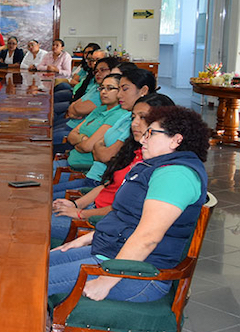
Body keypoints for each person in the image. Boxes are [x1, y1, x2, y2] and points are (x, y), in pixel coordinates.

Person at [48, 105, 209, 303]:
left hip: (140, 274)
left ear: (176, 140)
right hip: (113, 254)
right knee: (36, 267)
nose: (143, 139)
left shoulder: (176, 176)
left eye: (151, 133)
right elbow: (127, 217)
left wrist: (105, 281)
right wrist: (88, 237)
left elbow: (148, 236)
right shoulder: (158, 166)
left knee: (34, 282)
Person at [50, 92, 171, 241]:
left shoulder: (158, 165)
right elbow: (107, 186)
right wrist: (75, 204)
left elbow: (122, 208)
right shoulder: (135, 151)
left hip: (100, 222)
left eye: (143, 117)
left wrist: (80, 214)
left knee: (36, 222)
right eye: (133, 117)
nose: (134, 123)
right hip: (92, 209)